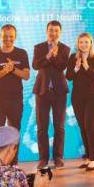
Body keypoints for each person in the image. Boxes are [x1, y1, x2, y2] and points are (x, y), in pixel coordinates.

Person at [0, 24, 30, 165]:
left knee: (14, 131)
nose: (8, 39)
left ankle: (13, 164)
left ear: (15, 37)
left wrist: (13, 69)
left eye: (11, 36)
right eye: (5, 36)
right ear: (0, 36)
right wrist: (4, 71)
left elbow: (26, 75)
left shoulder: (21, 53)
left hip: (15, 99)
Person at [32, 21, 70, 170]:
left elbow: (62, 66)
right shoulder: (39, 47)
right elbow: (36, 65)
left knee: (59, 126)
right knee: (42, 127)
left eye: (56, 30)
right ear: (46, 31)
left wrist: (54, 56)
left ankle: (58, 157)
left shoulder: (65, 48)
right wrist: (48, 56)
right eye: (50, 30)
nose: (53, 33)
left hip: (59, 92)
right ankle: (43, 159)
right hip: (42, 91)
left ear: (60, 32)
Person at [67, 33, 94, 171]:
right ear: (77, 44)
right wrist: (76, 69)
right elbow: (68, 76)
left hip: (93, 97)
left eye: (86, 42)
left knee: (90, 125)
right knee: (83, 127)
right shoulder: (73, 57)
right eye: (81, 42)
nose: (83, 44)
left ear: (91, 43)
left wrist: (87, 66)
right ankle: (89, 157)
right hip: (77, 97)